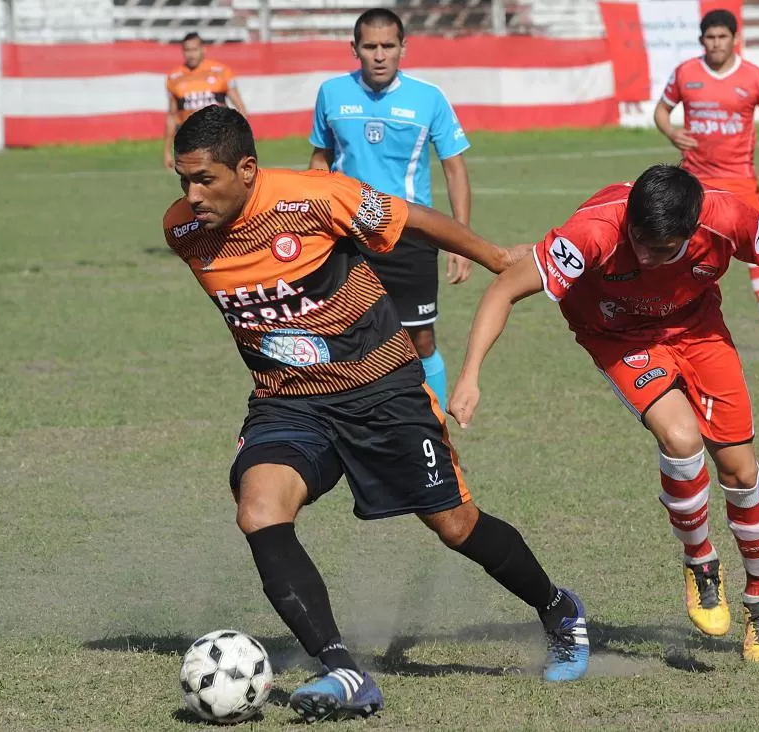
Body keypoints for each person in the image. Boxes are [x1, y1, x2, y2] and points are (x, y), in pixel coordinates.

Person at [163, 105, 589, 721]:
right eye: (183, 181)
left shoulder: (315, 198)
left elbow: (411, 217)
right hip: (286, 402)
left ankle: (557, 608)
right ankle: (342, 669)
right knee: (258, 510)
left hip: (382, 390)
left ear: (247, 169)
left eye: (205, 179)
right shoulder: (184, 232)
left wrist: (498, 259)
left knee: (454, 525)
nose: (192, 195)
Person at [448, 165, 759, 664]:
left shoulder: (725, 217)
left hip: (697, 329)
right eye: (637, 240)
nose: (642, 255)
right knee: (680, 438)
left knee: (740, 470)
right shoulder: (593, 232)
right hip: (618, 337)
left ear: (693, 228)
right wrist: (470, 374)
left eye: (660, 249)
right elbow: (505, 288)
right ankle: (700, 559)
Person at [309, 8, 471, 408]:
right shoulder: (331, 93)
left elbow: (455, 170)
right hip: (348, 236)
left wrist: (459, 240)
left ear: (403, 48)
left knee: (420, 337)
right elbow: (318, 162)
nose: (379, 55)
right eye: (370, 46)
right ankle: (354, 415)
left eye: (387, 46)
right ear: (354, 49)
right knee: (346, 334)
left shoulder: (428, 99)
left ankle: (434, 421)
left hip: (411, 236)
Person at [654, 9, 759, 354]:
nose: (716, 43)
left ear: (735, 39)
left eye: (722, 37)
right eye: (710, 37)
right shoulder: (685, 73)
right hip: (694, 182)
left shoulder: (754, 77)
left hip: (740, 181)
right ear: (702, 40)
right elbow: (661, 111)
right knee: (683, 251)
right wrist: (672, 132)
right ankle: (671, 324)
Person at [164, 32, 248, 169]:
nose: (191, 54)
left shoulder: (221, 71)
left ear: (203, 49)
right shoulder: (174, 77)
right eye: (187, 50)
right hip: (190, 141)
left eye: (194, 50)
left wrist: (239, 141)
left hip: (218, 139)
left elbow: (241, 109)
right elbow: (172, 116)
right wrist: (167, 151)